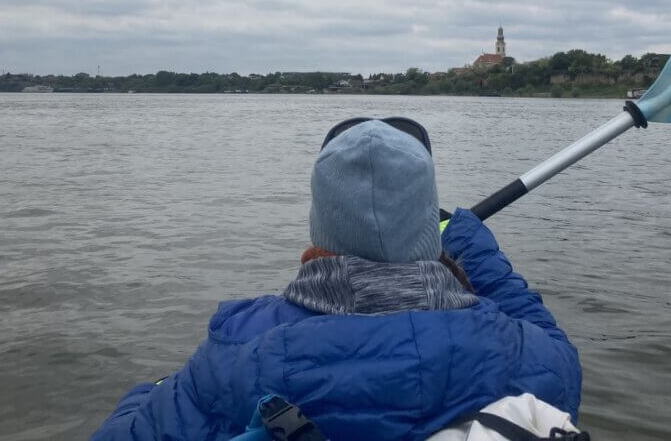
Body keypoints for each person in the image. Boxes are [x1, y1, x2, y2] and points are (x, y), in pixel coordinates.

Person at [91, 118, 582, 440]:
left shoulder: (230, 354)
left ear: (315, 237)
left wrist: (154, 390)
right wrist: (468, 238)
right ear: (432, 233)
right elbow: (529, 314)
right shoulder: (533, 359)